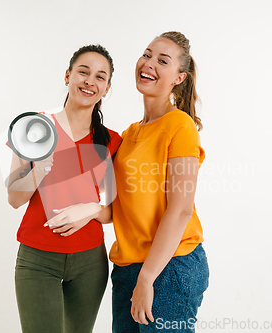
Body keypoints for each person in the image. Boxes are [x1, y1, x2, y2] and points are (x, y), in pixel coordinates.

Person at [6, 44, 122, 333]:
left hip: (90, 262)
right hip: (37, 258)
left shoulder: (111, 141)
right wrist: (42, 164)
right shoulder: (34, 128)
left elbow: (115, 211)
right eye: (83, 72)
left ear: (107, 88)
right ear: (68, 75)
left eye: (99, 77)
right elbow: (15, 199)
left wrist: (92, 209)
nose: (89, 81)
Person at [109, 31, 209, 333]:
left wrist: (147, 277)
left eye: (162, 61)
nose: (148, 63)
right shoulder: (128, 134)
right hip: (128, 268)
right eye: (147, 54)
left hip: (169, 267)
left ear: (179, 78)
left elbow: (180, 209)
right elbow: (117, 205)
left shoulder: (180, 125)